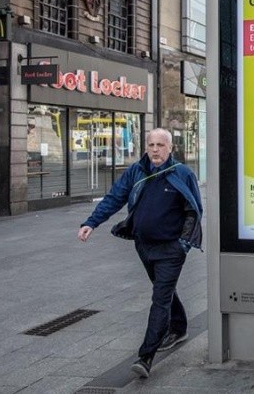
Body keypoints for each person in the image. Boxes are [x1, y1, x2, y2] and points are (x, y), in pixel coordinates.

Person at [77, 128, 203, 378]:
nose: (155, 149)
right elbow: (115, 197)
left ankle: (146, 357)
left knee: (160, 298)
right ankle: (179, 327)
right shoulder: (137, 171)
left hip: (171, 249)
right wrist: (91, 222)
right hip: (144, 246)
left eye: (160, 145)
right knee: (163, 289)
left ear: (170, 148)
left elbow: (193, 210)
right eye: (151, 144)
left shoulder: (182, 174)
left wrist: (183, 244)